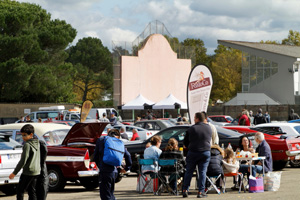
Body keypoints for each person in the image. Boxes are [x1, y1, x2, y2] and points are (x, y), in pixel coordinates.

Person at [94, 129, 132, 200]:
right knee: (110, 194)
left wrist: (100, 166)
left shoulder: (102, 140)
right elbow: (128, 155)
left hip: (104, 170)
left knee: (105, 195)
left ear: (108, 133)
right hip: (114, 171)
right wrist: (127, 168)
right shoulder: (118, 143)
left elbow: (95, 156)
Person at [183, 112, 212, 198]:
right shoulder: (209, 128)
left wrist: (190, 146)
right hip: (205, 152)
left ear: (197, 119)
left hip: (193, 152)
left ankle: (185, 190)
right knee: (202, 172)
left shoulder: (192, 129)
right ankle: (200, 191)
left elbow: (185, 142)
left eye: (194, 118)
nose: (194, 119)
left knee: (189, 171)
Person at [9, 124, 41, 200]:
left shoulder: (27, 145)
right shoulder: (37, 143)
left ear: (31, 135)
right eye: (22, 135)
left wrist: (14, 173)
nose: (23, 137)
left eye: (24, 135)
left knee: (20, 190)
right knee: (31, 191)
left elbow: (23, 161)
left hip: (28, 172)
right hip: (36, 171)